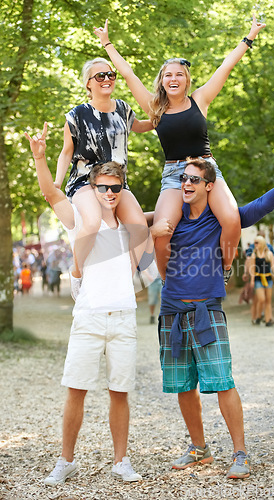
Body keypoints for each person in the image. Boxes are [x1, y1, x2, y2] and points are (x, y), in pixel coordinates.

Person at [24, 123, 172, 486]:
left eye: (115, 188)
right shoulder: (78, 219)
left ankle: (121, 461)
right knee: (76, 390)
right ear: (93, 187)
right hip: (88, 316)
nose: (109, 193)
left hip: (123, 316)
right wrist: (41, 158)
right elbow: (50, 192)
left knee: (120, 393)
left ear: (122, 190)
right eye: (102, 187)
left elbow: (153, 226)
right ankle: (65, 460)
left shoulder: (128, 225)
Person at [157, 148, 274, 479]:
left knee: (223, 382)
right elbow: (131, 221)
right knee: (184, 385)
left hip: (206, 310)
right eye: (183, 178)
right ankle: (199, 449)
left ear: (209, 185)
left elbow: (258, 208)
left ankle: (240, 453)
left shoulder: (220, 219)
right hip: (171, 311)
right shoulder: (171, 216)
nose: (186, 183)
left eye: (194, 179)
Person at [94, 15, 266, 280]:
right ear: (162, 81)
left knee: (232, 220)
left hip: (207, 169)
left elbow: (226, 66)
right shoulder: (155, 108)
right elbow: (128, 75)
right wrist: (107, 43)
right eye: (168, 75)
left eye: (179, 75)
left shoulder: (201, 99)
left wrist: (250, 36)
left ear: (186, 80)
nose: (173, 79)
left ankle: (226, 268)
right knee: (162, 233)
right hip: (175, 174)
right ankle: (169, 285)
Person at [54, 57, 154, 297]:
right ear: (88, 83)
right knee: (92, 222)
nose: (107, 79)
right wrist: (56, 184)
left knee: (140, 228)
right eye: (100, 76)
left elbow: (140, 125)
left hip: (118, 182)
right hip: (85, 180)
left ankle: (125, 279)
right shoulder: (77, 114)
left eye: (111, 75)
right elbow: (67, 151)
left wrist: (169, 117)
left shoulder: (122, 108)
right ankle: (77, 273)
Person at [248, 235, 274, 326]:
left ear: (262, 243)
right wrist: (252, 281)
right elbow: (252, 269)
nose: (255, 244)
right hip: (258, 279)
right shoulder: (254, 255)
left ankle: (268, 320)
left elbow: (273, 266)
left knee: (268, 300)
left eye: (257, 243)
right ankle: (258, 316)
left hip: (268, 278)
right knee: (261, 299)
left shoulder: (269, 254)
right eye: (254, 243)